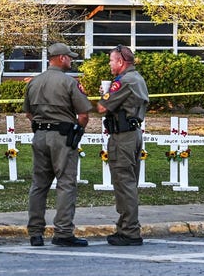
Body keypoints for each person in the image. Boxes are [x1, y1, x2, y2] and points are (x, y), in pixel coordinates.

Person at [23, 43, 92, 247]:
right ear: (61, 58)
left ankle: (35, 233)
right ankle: (63, 231)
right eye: (70, 57)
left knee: (39, 184)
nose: (71, 61)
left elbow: (28, 113)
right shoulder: (69, 82)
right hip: (62, 137)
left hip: (40, 135)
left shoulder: (34, 82)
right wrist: (77, 130)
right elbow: (84, 114)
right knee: (66, 183)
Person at [97, 44, 149, 246]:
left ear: (120, 62)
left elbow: (102, 107)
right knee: (129, 183)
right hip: (134, 133)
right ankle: (127, 226)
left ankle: (129, 231)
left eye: (111, 60)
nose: (110, 64)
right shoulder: (137, 78)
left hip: (123, 137)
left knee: (124, 183)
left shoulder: (123, 81)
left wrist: (106, 94)